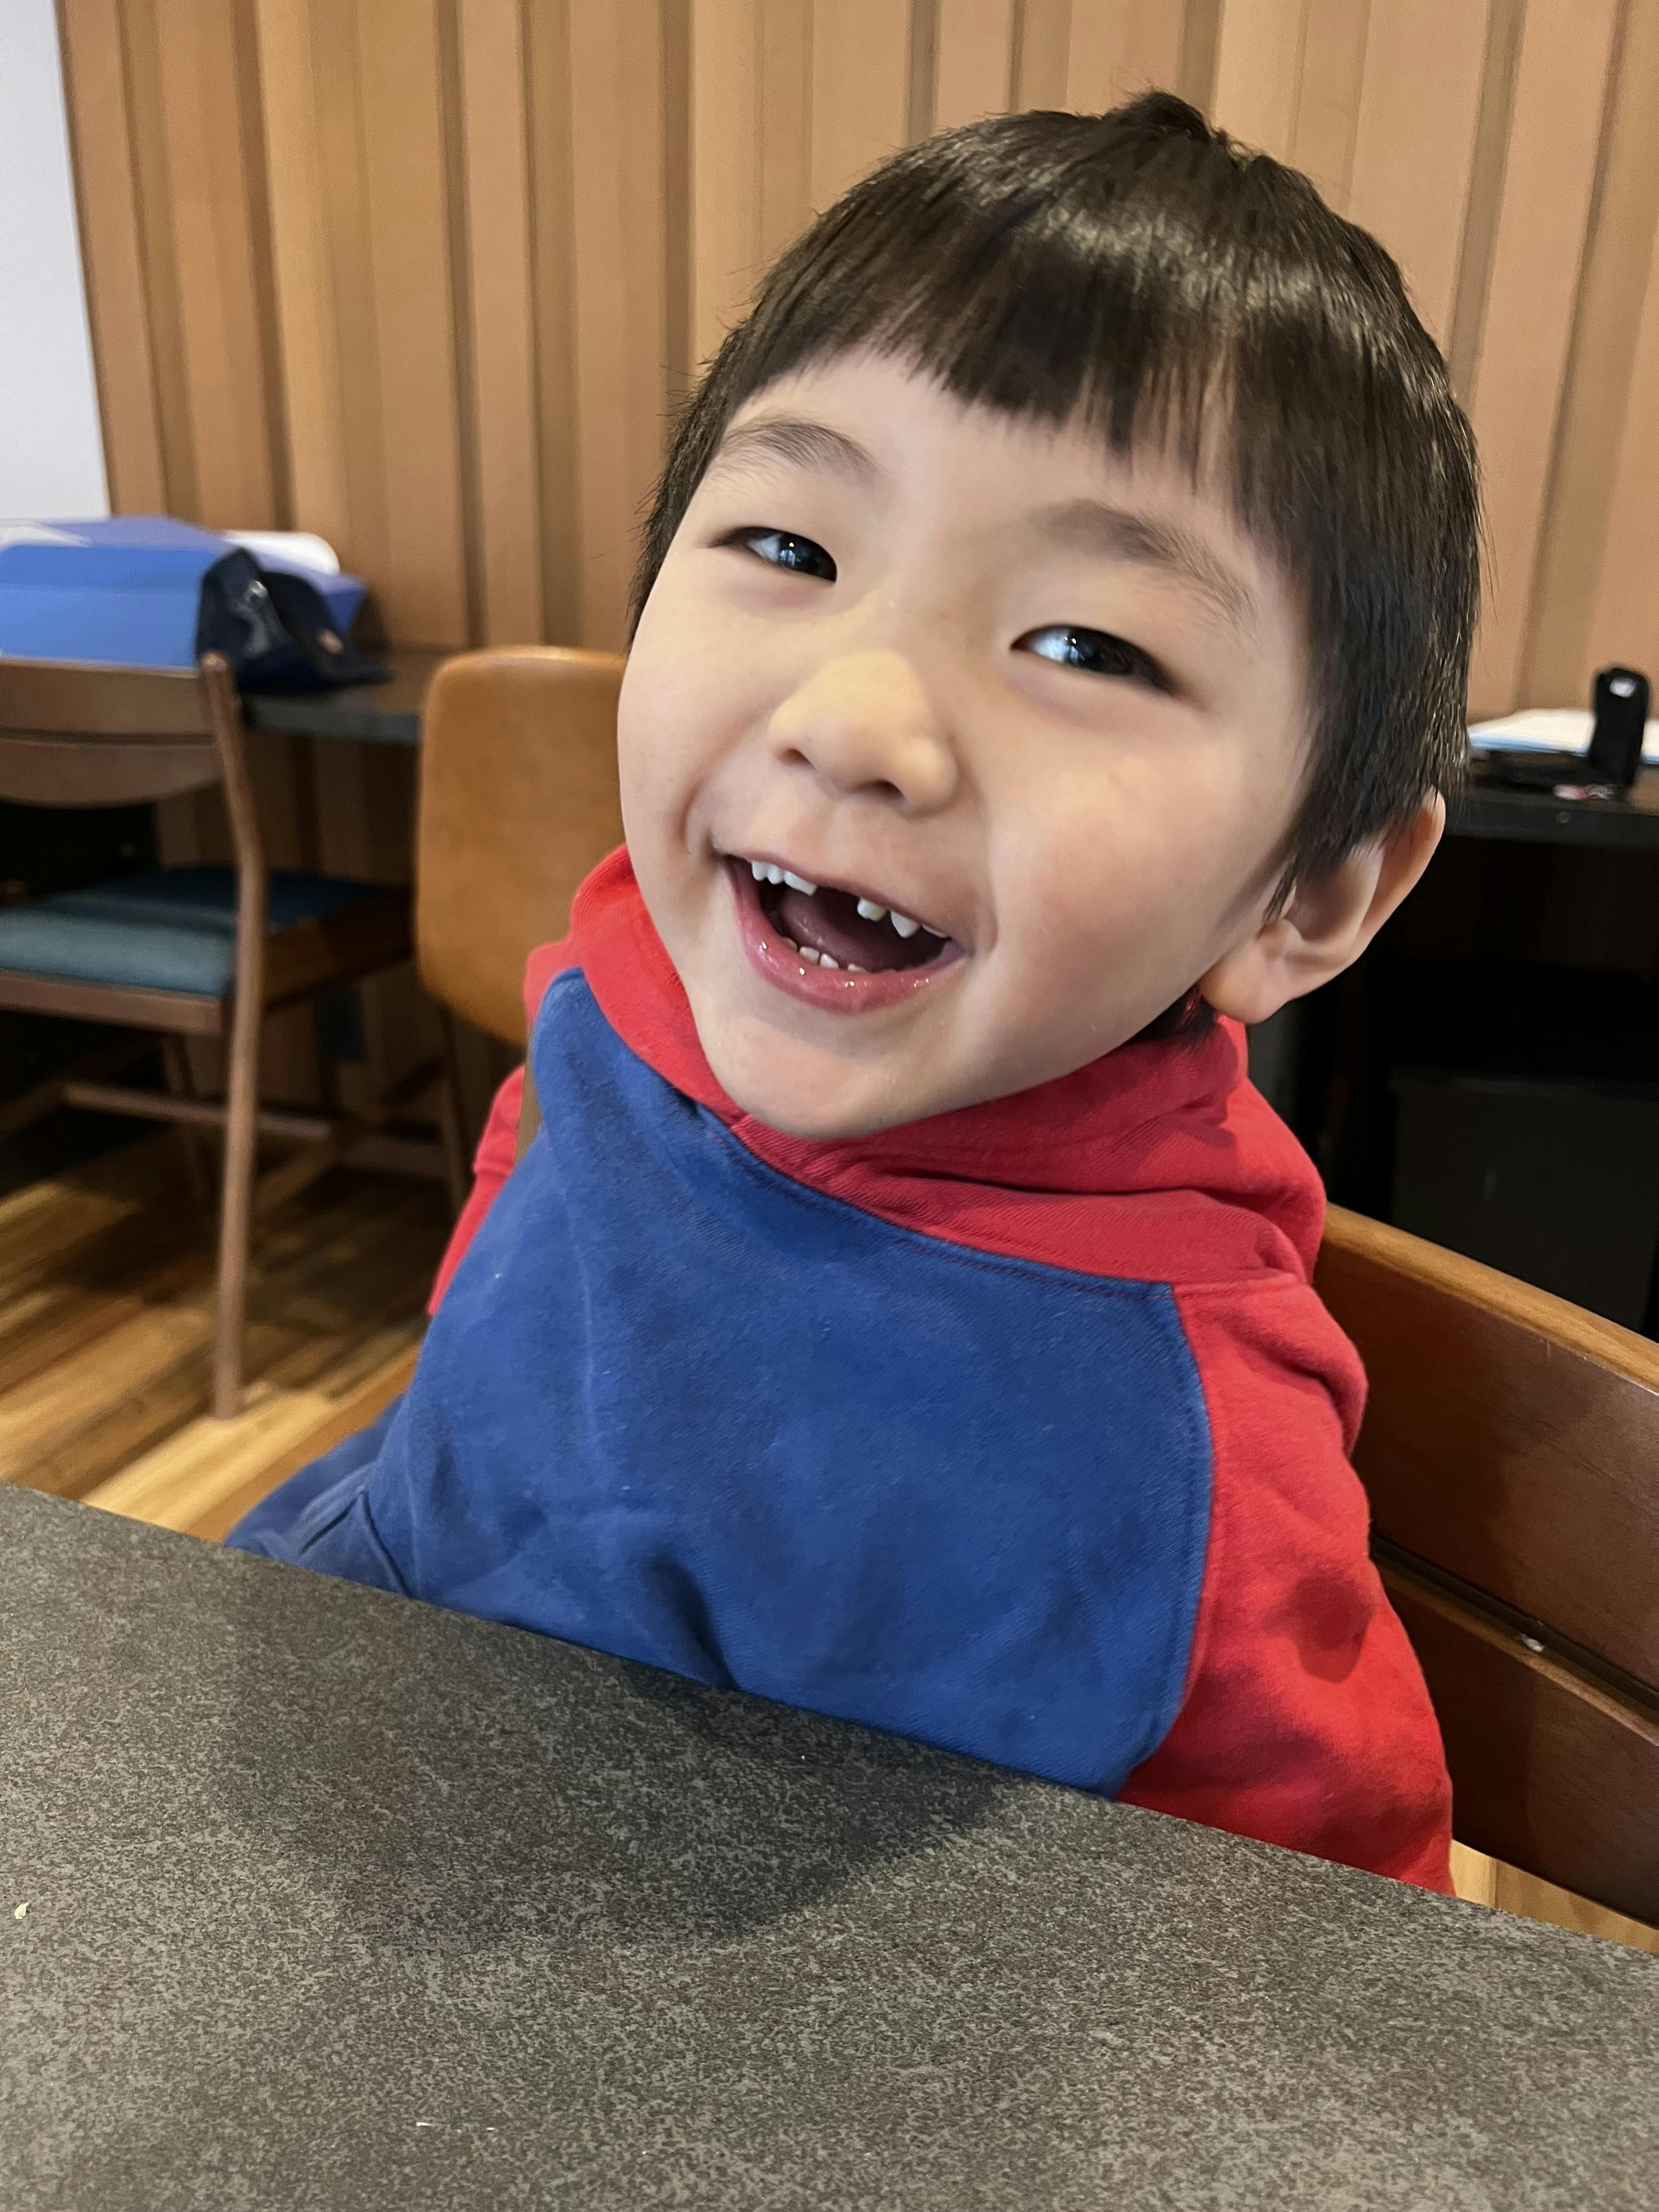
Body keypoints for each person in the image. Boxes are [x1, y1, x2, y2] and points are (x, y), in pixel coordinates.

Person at [232, 95, 1479, 1891]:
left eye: (1087, 645)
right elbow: (517, 1253)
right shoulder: (633, 967)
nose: (855, 719)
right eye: (792, 550)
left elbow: (1324, 1961)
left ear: (1318, 890)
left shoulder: (1183, 1445)